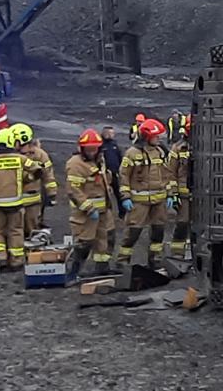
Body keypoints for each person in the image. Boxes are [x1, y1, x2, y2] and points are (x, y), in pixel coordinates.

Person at [114, 118, 170, 268]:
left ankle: (155, 261)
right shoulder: (132, 154)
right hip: (139, 201)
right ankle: (122, 263)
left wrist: (170, 193)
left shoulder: (159, 152)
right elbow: (124, 176)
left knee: (158, 231)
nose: (159, 139)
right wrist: (125, 197)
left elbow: (166, 174)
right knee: (133, 233)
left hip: (159, 200)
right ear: (146, 137)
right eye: (156, 136)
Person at [63, 128, 116, 276]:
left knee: (106, 239)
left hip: (104, 211)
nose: (92, 152)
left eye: (95, 149)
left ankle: (102, 268)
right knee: (84, 243)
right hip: (85, 214)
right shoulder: (75, 164)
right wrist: (88, 208)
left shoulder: (100, 160)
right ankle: (72, 273)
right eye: (89, 149)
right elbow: (73, 190)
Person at [0, 127, 30, 270]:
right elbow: (38, 170)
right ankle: (17, 261)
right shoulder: (20, 158)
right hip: (16, 203)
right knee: (15, 231)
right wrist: (28, 178)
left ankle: (0, 258)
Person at [10, 123, 56, 235]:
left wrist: (51, 194)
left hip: (32, 200)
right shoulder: (10, 154)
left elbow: (48, 175)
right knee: (14, 230)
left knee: (32, 228)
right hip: (13, 200)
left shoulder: (39, 155)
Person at [163, 115, 193, 260]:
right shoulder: (178, 148)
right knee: (183, 223)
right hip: (183, 195)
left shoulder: (207, 146)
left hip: (203, 195)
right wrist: (172, 193)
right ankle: (177, 253)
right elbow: (170, 173)